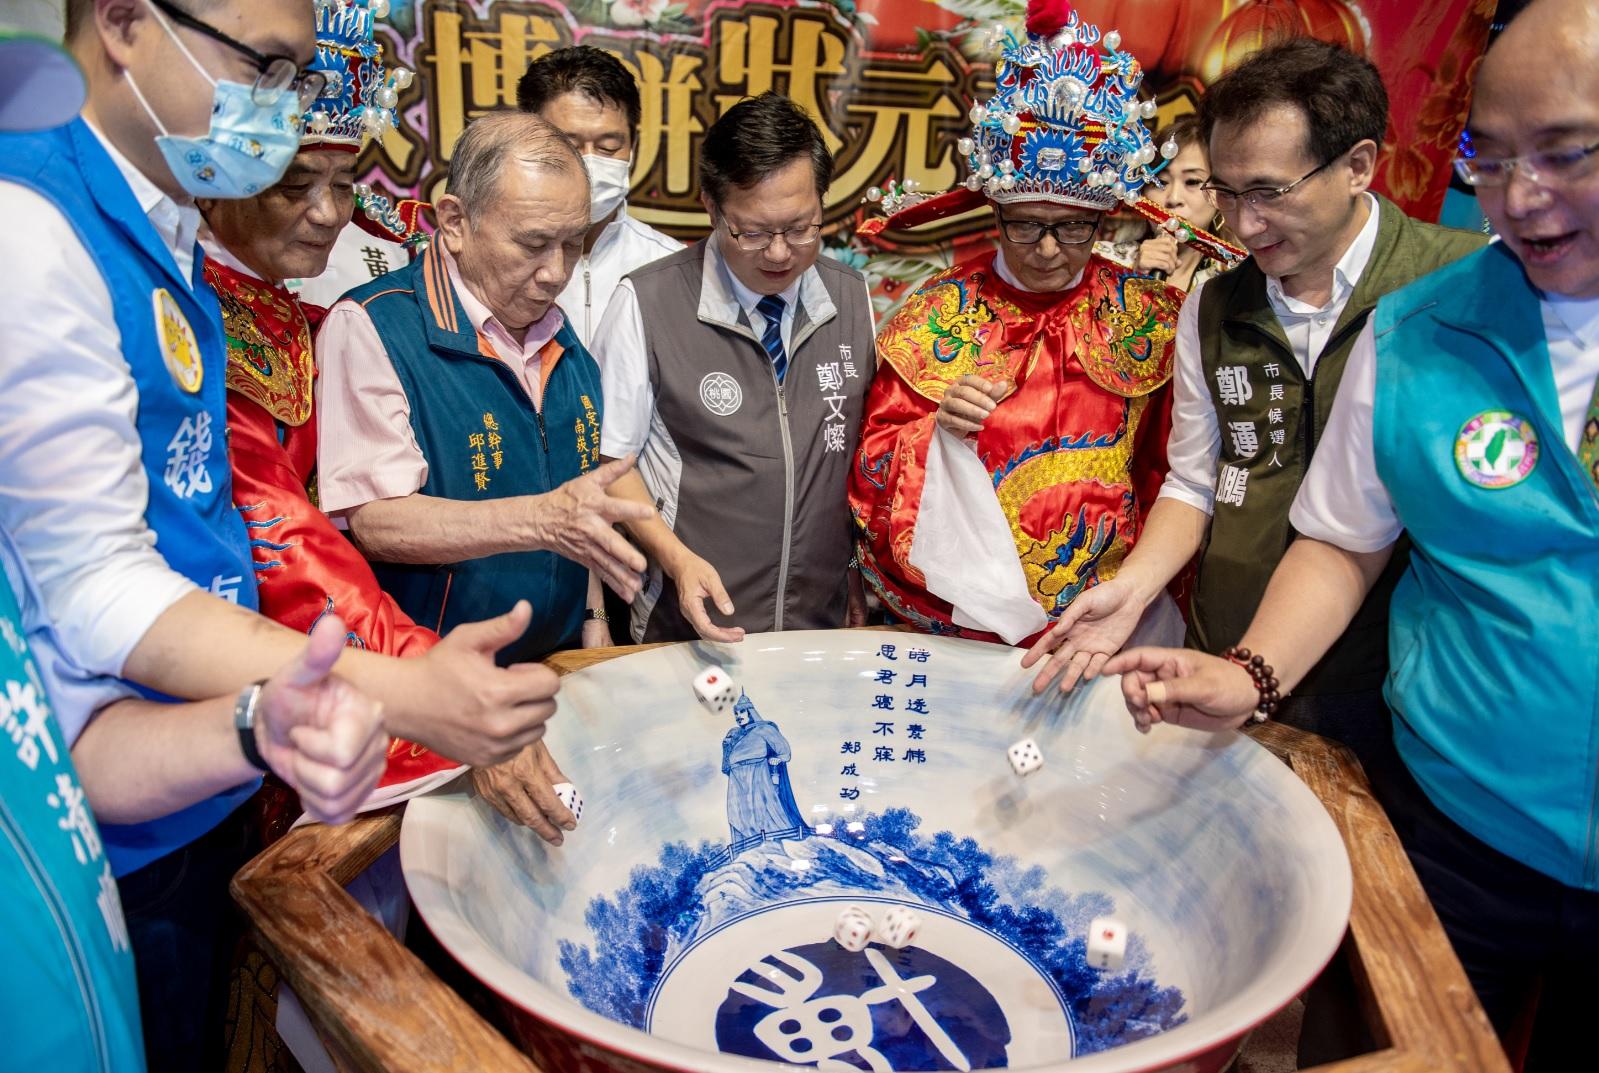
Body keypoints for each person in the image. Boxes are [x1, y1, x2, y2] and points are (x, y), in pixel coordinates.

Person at [0, 2, 552, 1066]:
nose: (279, 113)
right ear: (123, 24)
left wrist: (265, 721)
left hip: (180, 758)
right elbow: (96, 588)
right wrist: (406, 687)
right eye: (268, 67)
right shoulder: (36, 224)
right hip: (89, 805)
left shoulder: (152, 223)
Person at [1105, 3, 1599, 1065]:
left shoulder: (1414, 275)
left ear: (1361, 165)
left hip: (1383, 692)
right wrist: (1239, 663)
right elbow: (1326, 529)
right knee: (1365, 1011)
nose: (1523, 196)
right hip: (1459, 805)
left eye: (1564, 155)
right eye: (1492, 157)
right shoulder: (1421, 328)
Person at [1024, 38, 1485, 764]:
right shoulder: (1212, 303)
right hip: (1225, 651)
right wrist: (1134, 589)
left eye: (1268, 192)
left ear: (1357, 166)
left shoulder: (1451, 286)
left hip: (1388, 678)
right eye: (1226, 192)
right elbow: (1194, 478)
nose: (1242, 225)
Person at [200, 1, 577, 835]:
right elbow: (285, 538)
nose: (331, 214)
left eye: (345, 182)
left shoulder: (276, 298)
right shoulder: (202, 322)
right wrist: (426, 687)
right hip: (227, 674)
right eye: (297, 183)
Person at [847, 1, 1213, 642]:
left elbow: (1177, 475)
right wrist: (936, 432)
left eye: (1072, 226)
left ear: (1107, 219)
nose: (1048, 249)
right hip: (968, 624)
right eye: (1026, 224)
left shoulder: (1151, 320)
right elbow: (874, 460)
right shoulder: (938, 315)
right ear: (993, 215)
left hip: (1112, 622)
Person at [316, 111, 651, 662]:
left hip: (557, 662)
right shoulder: (376, 326)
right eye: (534, 243)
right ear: (454, 221)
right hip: (430, 676)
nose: (555, 272)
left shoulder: (563, 338)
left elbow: (578, 509)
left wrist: (593, 619)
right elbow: (375, 519)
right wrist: (539, 520)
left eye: (573, 243)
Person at [594, 92, 875, 644]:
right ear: (711, 207)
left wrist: (855, 567)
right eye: (751, 232)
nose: (778, 253)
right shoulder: (648, 303)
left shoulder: (850, 295)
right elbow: (612, 465)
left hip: (818, 624)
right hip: (689, 624)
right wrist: (674, 561)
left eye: (801, 227)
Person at [517, 44, 682, 349]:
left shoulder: (670, 267)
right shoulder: (501, 260)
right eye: (569, 144)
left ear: (633, 145)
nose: (589, 163)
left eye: (608, 147)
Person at [1096, 115, 1233, 294]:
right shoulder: (1101, 261)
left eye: (1192, 181)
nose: (1174, 198)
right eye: (1160, 182)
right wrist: (1133, 280)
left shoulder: (1239, 280)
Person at [720, 693, 804, 844]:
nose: (738, 716)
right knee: (737, 814)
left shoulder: (764, 729)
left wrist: (777, 759)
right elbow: (726, 765)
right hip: (737, 779)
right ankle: (747, 845)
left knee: (762, 810)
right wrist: (726, 745)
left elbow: (784, 751)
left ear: (750, 712)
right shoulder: (735, 734)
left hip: (757, 775)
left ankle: (772, 841)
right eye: (736, 713)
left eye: (742, 712)